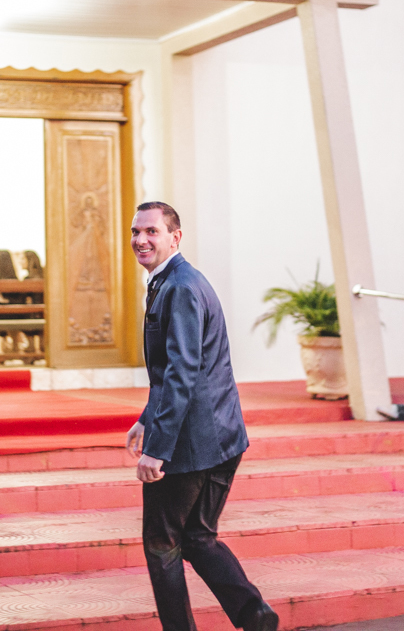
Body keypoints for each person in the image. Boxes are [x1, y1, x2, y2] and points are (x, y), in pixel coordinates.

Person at [125, 201, 278, 631]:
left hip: (189, 448)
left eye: (152, 232)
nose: (141, 240)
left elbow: (182, 372)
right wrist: (146, 417)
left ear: (175, 237)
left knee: (161, 543)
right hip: (222, 439)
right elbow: (174, 370)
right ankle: (256, 616)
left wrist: (157, 448)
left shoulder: (180, 286)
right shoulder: (176, 281)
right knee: (197, 537)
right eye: (136, 232)